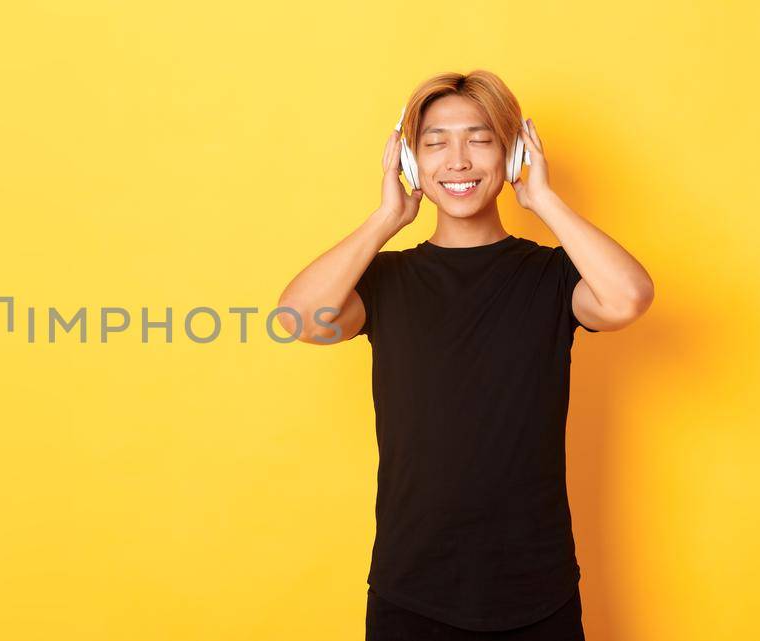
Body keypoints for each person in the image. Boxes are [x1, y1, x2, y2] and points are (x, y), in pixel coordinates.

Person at [274, 70, 655, 640]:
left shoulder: (552, 278)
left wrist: (545, 200)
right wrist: (387, 218)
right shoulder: (385, 281)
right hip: (412, 588)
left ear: (513, 153)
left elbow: (628, 299)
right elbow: (297, 320)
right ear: (409, 161)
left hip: (538, 585)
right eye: (434, 142)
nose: (457, 160)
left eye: (480, 139)